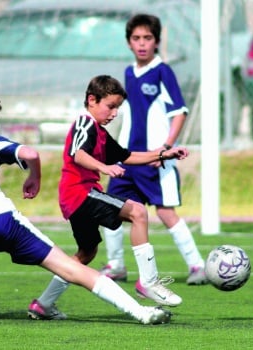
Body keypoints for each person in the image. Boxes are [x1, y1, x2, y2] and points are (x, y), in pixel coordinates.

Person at [0, 49, 172, 325]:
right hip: (3, 225)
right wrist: (33, 177)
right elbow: (31, 154)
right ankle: (141, 312)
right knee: (72, 268)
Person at [27, 74, 189, 321]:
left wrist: (164, 154)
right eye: (110, 106)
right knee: (138, 211)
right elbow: (78, 154)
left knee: (86, 253)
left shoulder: (100, 133)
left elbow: (127, 155)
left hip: (77, 198)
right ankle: (148, 282)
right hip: (80, 193)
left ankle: (43, 304)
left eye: (118, 108)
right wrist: (104, 168)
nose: (114, 113)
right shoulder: (85, 123)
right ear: (92, 100)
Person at [100, 14, 208, 286]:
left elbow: (179, 112)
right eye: (136, 38)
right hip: (127, 159)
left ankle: (197, 265)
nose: (142, 43)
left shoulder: (163, 71)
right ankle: (116, 265)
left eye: (148, 38)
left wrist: (165, 148)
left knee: (165, 212)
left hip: (153, 161)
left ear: (157, 41)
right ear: (128, 43)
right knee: (110, 208)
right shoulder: (128, 72)